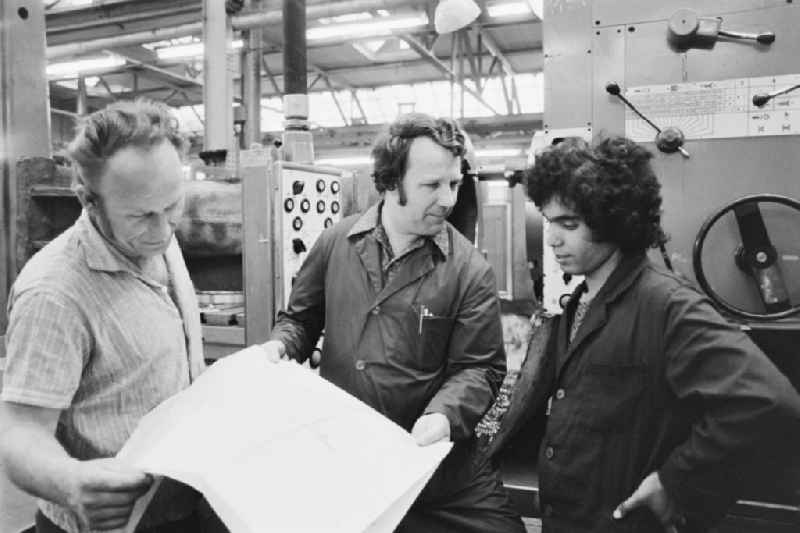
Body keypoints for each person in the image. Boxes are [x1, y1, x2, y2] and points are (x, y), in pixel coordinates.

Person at [481, 136, 800, 532]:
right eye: (549, 221)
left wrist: (675, 481)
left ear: (613, 219)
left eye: (569, 224)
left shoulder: (665, 304)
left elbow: (768, 402)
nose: (552, 238)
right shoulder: (578, 305)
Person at [262, 112, 525, 532]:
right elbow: (300, 319)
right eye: (431, 185)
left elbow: (480, 367)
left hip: (439, 471)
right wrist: (280, 345)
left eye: (454, 184)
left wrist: (442, 415)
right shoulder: (337, 243)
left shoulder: (469, 269)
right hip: (348, 460)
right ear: (388, 183)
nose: (448, 200)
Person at [0, 100, 221, 533]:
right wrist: (69, 482)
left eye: (172, 207)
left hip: (178, 503)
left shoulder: (156, 236)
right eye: (141, 216)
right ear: (89, 200)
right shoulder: (55, 293)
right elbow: (19, 432)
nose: (162, 231)